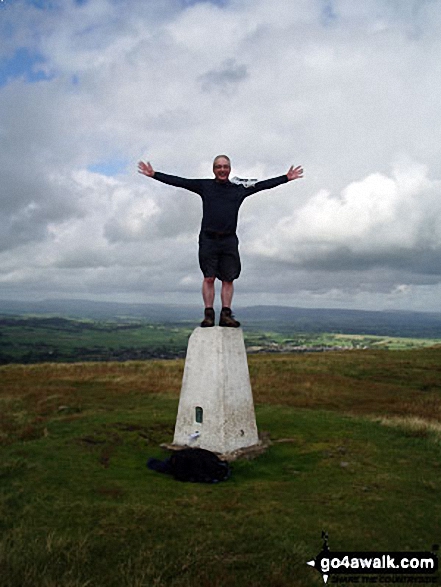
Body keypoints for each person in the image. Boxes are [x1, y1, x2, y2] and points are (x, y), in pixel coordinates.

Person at [138, 155, 303, 328]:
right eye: (218, 167)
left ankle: (226, 314)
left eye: (225, 166)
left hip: (229, 240)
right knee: (209, 278)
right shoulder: (205, 186)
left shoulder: (239, 188)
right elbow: (181, 181)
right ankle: (208, 314)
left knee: (228, 279)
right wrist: (155, 174)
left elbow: (262, 185)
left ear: (230, 169)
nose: (222, 170)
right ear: (213, 169)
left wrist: (286, 178)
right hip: (208, 239)